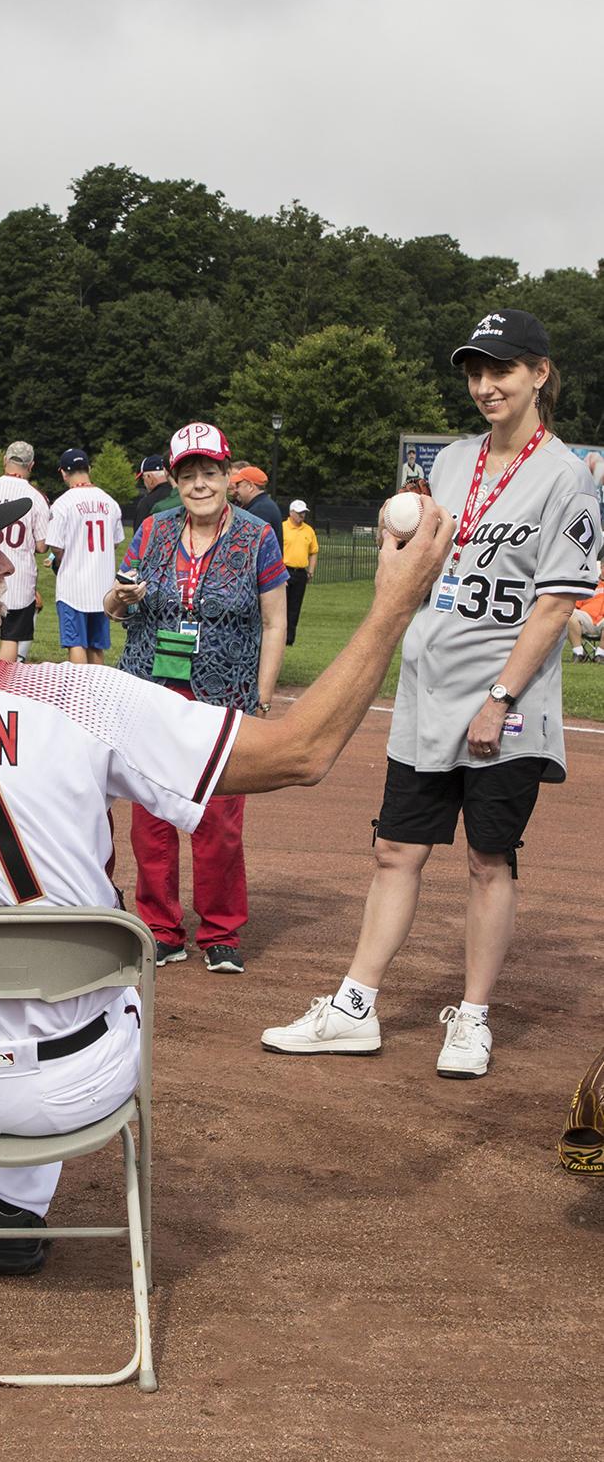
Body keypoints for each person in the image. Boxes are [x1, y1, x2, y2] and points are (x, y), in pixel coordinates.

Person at [0, 467, 454, 1276]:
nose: (9, 564)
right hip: (80, 1083)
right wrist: (394, 602)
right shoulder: (75, 698)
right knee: (85, 933)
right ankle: (18, 1205)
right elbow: (302, 751)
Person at [262, 309, 601, 1078]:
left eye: (501, 369)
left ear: (539, 374)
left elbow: (554, 603)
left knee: (488, 860)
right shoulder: (451, 464)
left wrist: (501, 697)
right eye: (475, 371)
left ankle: (473, 1017)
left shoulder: (566, 479)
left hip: (501, 704)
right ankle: (355, 1006)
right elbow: (417, 566)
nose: (485, 384)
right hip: (426, 693)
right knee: (394, 849)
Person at [106, 423, 288, 974]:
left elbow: (275, 623)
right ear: (176, 479)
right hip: (152, 691)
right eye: (189, 474)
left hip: (223, 693)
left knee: (220, 817)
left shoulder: (258, 536)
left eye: (211, 472)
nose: (201, 484)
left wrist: (260, 696)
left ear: (228, 476)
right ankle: (161, 928)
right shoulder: (154, 530)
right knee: (152, 818)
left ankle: (220, 931)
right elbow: (116, 609)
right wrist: (121, 595)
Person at [0, 441, 50, 662]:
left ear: (5, 460)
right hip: (19, 574)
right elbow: (42, 545)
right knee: (11, 637)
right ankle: (2, 685)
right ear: (31, 465)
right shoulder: (37, 497)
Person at [48, 448, 123, 666]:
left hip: (73, 586)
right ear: (89, 469)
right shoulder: (110, 502)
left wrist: (60, 560)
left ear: (63, 473)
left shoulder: (63, 503)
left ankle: (79, 693)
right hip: (102, 587)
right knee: (96, 646)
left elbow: (55, 545)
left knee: (76, 643)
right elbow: (116, 541)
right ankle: (97, 694)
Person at [281, 499, 319, 647]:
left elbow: (314, 551)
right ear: (291, 513)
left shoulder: (308, 530)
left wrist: (311, 570)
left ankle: (289, 637)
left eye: (303, 513)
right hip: (284, 570)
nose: (301, 516)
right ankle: (280, 634)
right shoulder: (283, 528)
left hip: (300, 572)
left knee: (295, 606)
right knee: (281, 605)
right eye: (298, 513)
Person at [229, 463, 283, 547]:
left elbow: (250, 547)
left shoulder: (260, 510)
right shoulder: (263, 505)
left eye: (238, 485)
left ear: (250, 486)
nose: (236, 490)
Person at [132, 453, 174, 529]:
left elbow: (140, 538)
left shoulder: (147, 503)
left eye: (143, 478)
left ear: (149, 477)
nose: (144, 483)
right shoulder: (182, 495)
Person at [565, 587, 604, 662]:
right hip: (587, 618)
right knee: (570, 613)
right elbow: (576, 605)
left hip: (602, 621)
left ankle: (600, 655)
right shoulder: (592, 584)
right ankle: (579, 653)